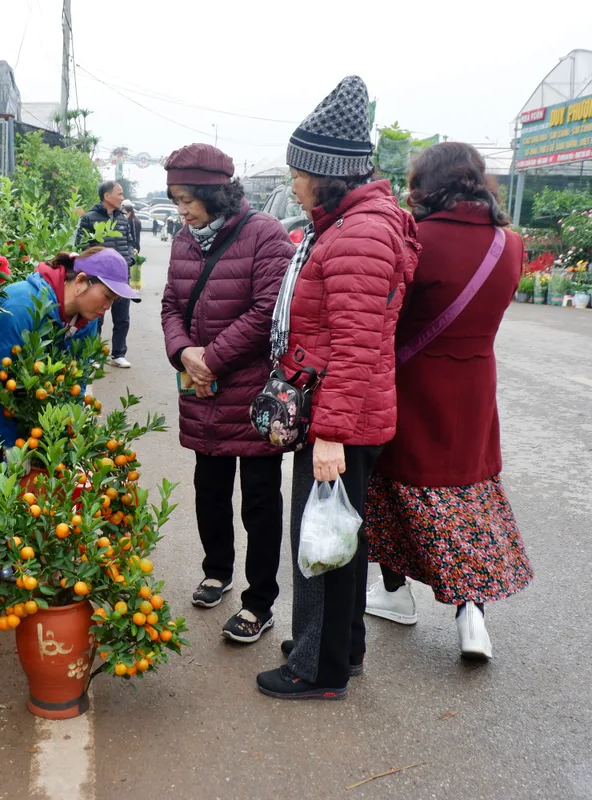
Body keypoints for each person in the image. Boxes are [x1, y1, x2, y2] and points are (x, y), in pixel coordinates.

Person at [255, 76, 420, 700]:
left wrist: (328, 435)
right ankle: (339, 651)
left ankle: (315, 669)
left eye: (299, 172)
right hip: (351, 413)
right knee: (344, 537)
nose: (293, 184)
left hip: (341, 417)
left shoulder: (358, 234)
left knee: (322, 544)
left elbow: (355, 347)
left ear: (327, 174)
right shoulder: (357, 223)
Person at [362, 142, 533, 660]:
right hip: (476, 385)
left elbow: (392, 316)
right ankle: (472, 616)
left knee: (394, 491)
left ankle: (395, 594)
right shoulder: (512, 244)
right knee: (468, 497)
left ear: (423, 183)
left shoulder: (417, 239)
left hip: (413, 382)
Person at [160, 143, 294, 643]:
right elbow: (171, 304)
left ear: (215, 193)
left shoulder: (265, 235)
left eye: (187, 200)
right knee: (209, 490)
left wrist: (208, 359)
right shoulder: (183, 239)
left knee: (260, 501)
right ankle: (217, 570)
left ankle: (259, 603)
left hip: (252, 394)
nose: (182, 211)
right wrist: (183, 353)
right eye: (175, 200)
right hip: (201, 391)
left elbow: (266, 313)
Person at [0, 247, 139, 451]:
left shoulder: (87, 319)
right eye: (107, 296)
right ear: (81, 281)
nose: (107, 307)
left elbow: (76, 377)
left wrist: (70, 431)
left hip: (19, 387)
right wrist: (10, 443)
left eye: (114, 301)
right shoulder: (23, 305)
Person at [77, 181, 136, 369]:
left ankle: (118, 354)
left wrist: (129, 260)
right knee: (96, 316)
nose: (122, 197)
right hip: (100, 278)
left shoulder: (123, 218)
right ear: (107, 196)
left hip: (121, 277)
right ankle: (93, 354)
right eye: (119, 194)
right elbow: (82, 245)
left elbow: (129, 242)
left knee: (123, 317)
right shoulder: (89, 218)